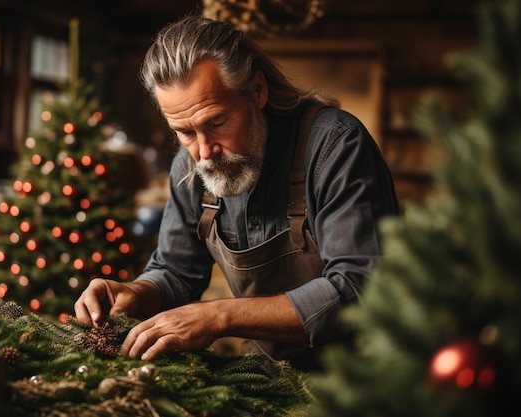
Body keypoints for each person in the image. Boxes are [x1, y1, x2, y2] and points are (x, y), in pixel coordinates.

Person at [74, 15, 399, 370]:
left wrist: (219, 315)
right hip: (267, 378)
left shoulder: (334, 143)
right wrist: (135, 294)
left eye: (216, 123)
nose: (204, 151)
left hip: (366, 379)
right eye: (184, 132)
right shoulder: (190, 167)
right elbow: (176, 271)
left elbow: (358, 288)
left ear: (257, 91)